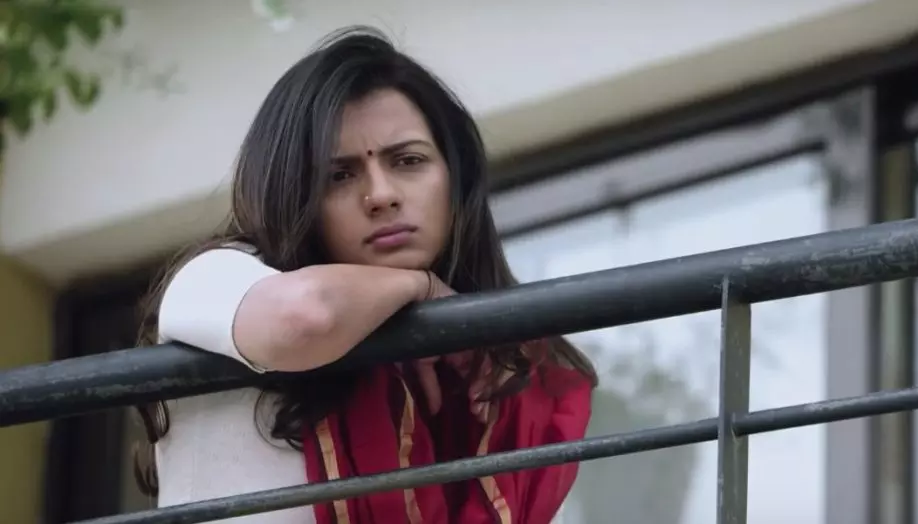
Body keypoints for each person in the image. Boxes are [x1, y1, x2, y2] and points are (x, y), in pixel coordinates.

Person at [134, 26, 597, 524]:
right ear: (295, 193)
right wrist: (419, 286)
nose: (382, 195)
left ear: (455, 180)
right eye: (340, 175)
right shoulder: (218, 275)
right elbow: (306, 319)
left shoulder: (504, 373)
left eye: (409, 161)